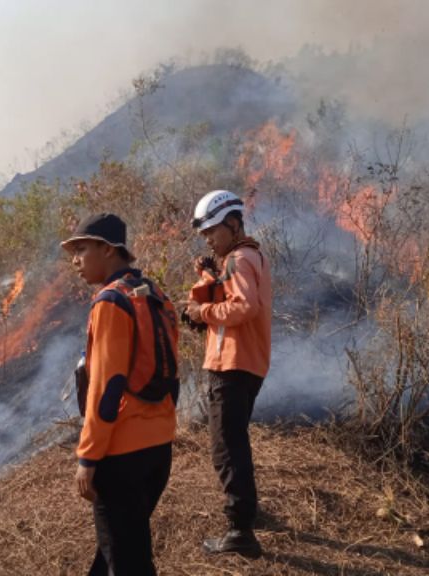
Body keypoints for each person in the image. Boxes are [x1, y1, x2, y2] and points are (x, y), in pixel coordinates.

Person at [62, 212, 178, 576]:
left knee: (129, 562)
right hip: (159, 449)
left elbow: (106, 387)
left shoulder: (110, 301)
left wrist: (88, 456)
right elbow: (172, 371)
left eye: (81, 249)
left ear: (109, 250)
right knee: (120, 545)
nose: (75, 260)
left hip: (122, 455)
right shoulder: (154, 294)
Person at [184, 190, 272, 559]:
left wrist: (200, 313)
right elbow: (233, 298)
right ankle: (247, 512)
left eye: (213, 231)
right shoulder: (247, 258)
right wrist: (208, 279)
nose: (208, 238)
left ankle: (240, 530)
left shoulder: (238, 259)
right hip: (244, 363)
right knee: (233, 443)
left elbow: (243, 305)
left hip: (232, 365)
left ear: (233, 224)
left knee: (226, 449)